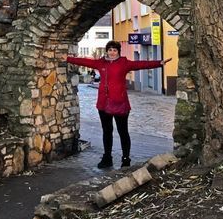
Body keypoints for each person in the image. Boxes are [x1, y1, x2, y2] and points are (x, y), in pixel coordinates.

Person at [67, 41, 171, 169]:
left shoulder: (124, 63)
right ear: (107, 51)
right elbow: (84, 62)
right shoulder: (101, 63)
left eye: (114, 50)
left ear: (118, 51)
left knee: (123, 132)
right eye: (110, 50)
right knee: (107, 131)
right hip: (103, 104)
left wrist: (159, 63)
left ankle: (126, 159)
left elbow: (141, 64)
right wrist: (67, 58)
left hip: (120, 103)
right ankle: (107, 158)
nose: (112, 52)